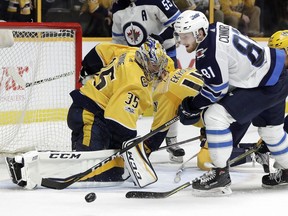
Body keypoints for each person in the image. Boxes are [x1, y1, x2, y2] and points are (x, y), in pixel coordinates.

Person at [5, 37, 171, 189]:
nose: (158, 70)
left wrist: (87, 68)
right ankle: (27, 166)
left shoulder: (130, 52)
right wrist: (131, 144)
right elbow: (117, 119)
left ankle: (37, 166)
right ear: (144, 60)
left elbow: (101, 50)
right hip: (91, 117)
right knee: (87, 169)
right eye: (154, 66)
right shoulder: (136, 84)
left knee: (112, 169)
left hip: (87, 111)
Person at [174, 10, 288, 195]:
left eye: (186, 36)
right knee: (271, 131)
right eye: (180, 36)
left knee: (214, 116)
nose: (182, 41)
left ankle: (220, 174)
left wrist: (192, 106)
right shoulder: (216, 28)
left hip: (264, 83)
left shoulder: (207, 53)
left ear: (199, 33)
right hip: (276, 73)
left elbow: (216, 90)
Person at [111, 0, 185, 162]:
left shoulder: (157, 1)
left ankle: (171, 139)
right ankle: (124, 140)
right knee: (129, 99)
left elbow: (180, 24)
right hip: (135, 62)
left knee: (168, 99)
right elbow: (118, 42)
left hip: (163, 58)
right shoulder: (118, 8)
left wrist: (158, 38)